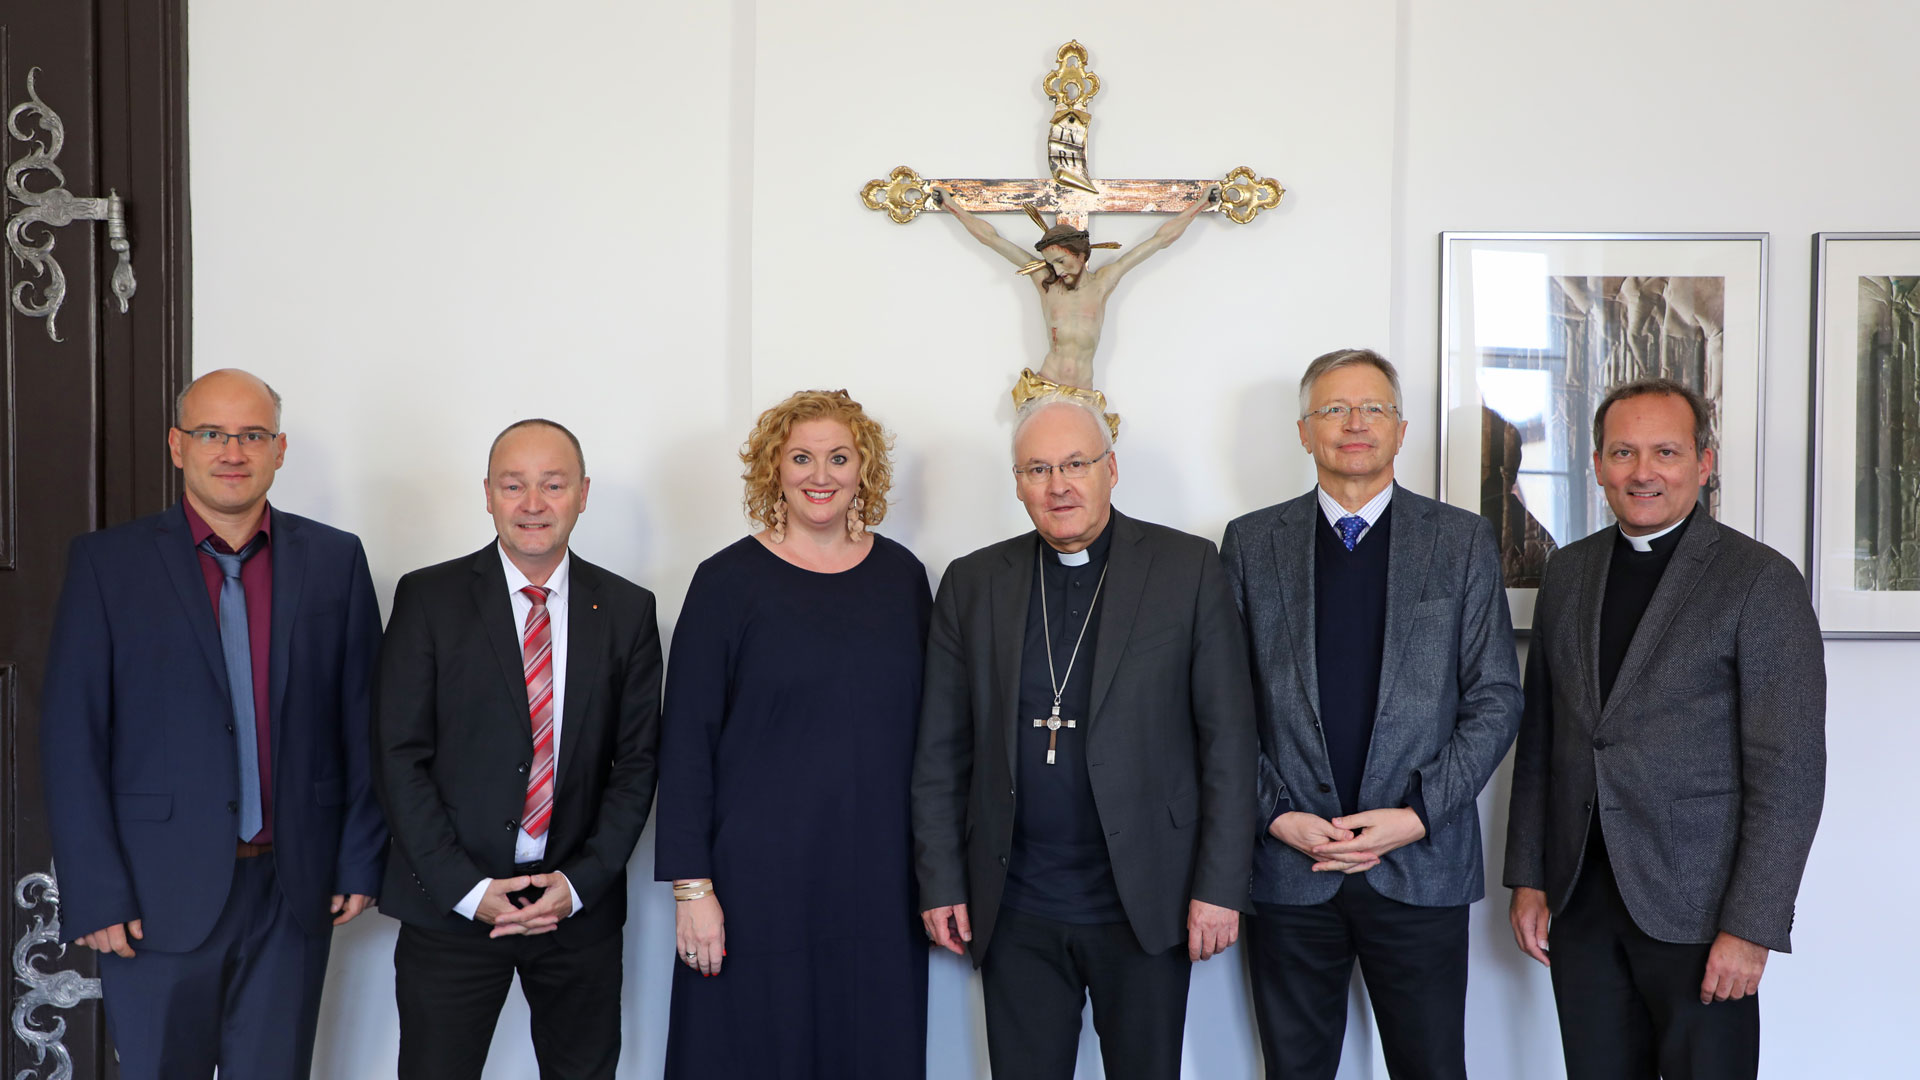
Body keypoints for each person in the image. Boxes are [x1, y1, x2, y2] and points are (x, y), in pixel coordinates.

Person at [39, 368, 386, 1079]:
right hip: (153, 898)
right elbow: (74, 739)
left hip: (294, 889)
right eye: (212, 434)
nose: (233, 451)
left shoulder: (335, 561)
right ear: (177, 445)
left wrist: (358, 857)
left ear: (279, 449)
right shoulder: (108, 565)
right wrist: (97, 891)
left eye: (252, 434)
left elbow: (363, 720)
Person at [912, 392, 1256, 1080]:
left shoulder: (1186, 568)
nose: (1058, 485)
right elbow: (939, 752)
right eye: (1036, 470)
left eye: (1076, 463)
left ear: (1111, 468)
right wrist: (940, 879)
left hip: (1146, 901)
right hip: (1016, 907)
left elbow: (1229, 740)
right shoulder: (974, 582)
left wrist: (1219, 886)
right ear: (1017, 484)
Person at [1504, 378, 1827, 1080]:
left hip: (1702, 912)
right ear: (1596, 465)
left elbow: (1791, 770)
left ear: (1703, 464)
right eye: (1622, 452)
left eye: (1666, 452)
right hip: (1580, 902)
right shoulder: (1569, 570)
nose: (1642, 471)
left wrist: (1752, 926)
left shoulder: (1760, 580)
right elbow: (1543, 738)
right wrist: (1528, 877)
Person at [1220, 348, 1522, 1080]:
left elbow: (1495, 698)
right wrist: (1274, 816)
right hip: (1291, 863)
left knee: (1432, 1069)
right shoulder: (1249, 543)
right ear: (1303, 431)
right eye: (1333, 410)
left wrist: (1418, 815)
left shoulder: (1460, 540)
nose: (1354, 424)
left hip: (1420, 862)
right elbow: (1223, 708)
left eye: (1372, 409)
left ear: (1400, 427)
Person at [653, 389, 931, 1079]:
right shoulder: (725, 583)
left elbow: (935, 737)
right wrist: (693, 891)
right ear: (772, 468)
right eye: (802, 457)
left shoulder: (903, 579)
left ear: (864, 469)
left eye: (840, 458)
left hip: (879, 881)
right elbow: (685, 743)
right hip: (755, 885)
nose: (821, 474)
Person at [373, 418, 662, 1080]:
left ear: (582, 493)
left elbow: (637, 764)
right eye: (514, 485)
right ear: (488, 494)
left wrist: (578, 884)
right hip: (450, 908)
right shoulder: (428, 599)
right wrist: (467, 890)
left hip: (576, 915)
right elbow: (398, 757)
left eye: (552, 484)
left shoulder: (625, 610)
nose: (533, 503)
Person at [931, 184, 1219, 394]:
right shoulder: (1045, 284)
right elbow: (992, 240)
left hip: (1083, 394)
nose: (1056, 270)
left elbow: (1159, 241)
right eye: (1050, 263)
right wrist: (951, 206)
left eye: (1061, 261)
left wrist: (1201, 204)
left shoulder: (1104, 282)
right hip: (1045, 387)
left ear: (1081, 254)